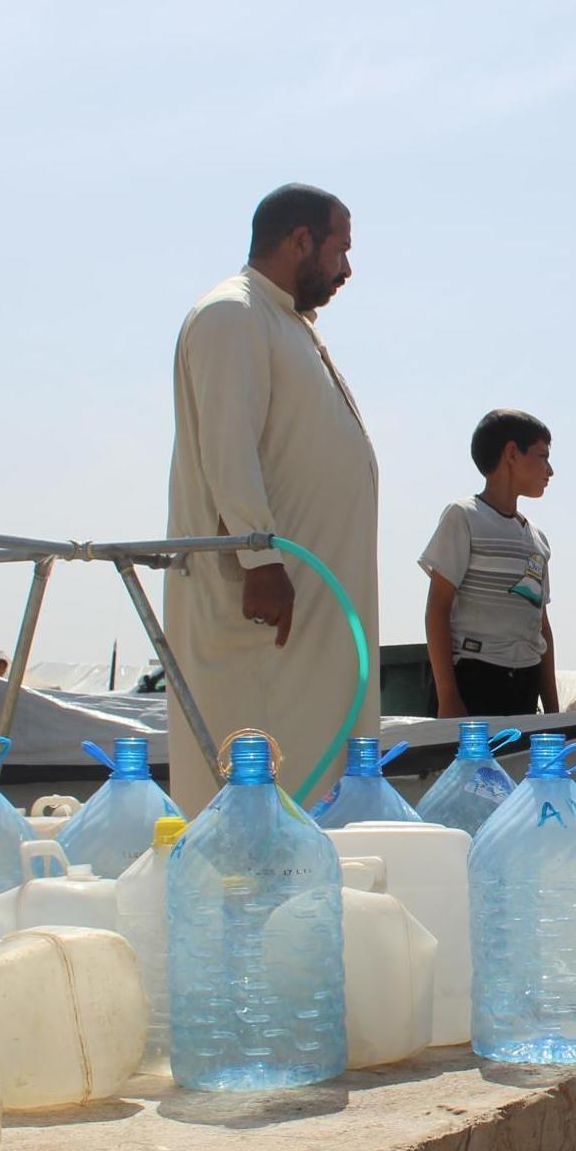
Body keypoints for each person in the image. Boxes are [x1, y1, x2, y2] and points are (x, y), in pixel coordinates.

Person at [165, 184, 379, 813]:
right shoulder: (233, 313)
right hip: (263, 622)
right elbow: (227, 449)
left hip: (311, 620)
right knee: (252, 799)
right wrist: (260, 561)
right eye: (340, 250)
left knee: (310, 789)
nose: (347, 270)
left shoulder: (284, 321)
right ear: (300, 241)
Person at [420, 410, 559, 719]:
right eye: (542, 456)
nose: (550, 470)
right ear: (512, 453)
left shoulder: (537, 539)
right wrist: (448, 698)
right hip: (474, 680)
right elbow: (437, 609)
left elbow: (541, 626)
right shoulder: (464, 516)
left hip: (525, 682)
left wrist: (553, 712)